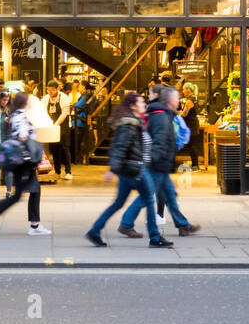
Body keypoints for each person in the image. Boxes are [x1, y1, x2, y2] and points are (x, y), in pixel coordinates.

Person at [119, 87, 198, 241]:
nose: (178, 102)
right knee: (147, 196)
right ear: (169, 100)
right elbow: (159, 141)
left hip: (161, 164)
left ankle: (183, 225)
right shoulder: (161, 115)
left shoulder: (163, 113)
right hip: (157, 164)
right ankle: (126, 224)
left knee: (170, 195)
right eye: (176, 99)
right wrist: (155, 161)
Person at [85, 92, 161, 246]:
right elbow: (119, 147)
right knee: (148, 200)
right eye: (141, 102)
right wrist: (112, 169)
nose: (144, 105)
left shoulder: (133, 122)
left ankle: (95, 231)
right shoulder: (129, 125)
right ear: (133, 106)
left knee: (118, 203)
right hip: (135, 169)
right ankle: (155, 237)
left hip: (128, 170)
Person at [0, 90, 49, 236]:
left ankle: (34, 225)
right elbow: (22, 137)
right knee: (23, 194)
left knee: (28, 192)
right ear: (25, 102)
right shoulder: (21, 116)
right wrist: (31, 140)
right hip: (24, 162)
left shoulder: (14, 115)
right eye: (28, 100)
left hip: (19, 161)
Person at [42, 79, 73, 181]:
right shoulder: (46, 98)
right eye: (48, 90)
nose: (50, 93)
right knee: (54, 149)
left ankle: (68, 172)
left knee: (65, 149)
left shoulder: (63, 97)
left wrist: (56, 124)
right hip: (52, 126)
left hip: (63, 126)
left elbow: (64, 113)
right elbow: (42, 111)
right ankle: (57, 171)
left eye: (52, 91)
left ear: (57, 89)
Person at [179, 82, 201, 170]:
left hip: (191, 125)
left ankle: (195, 166)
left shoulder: (189, 101)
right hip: (193, 124)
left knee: (192, 145)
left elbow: (184, 114)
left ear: (188, 90)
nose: (183, 91)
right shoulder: (194, 98)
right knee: (191, 145)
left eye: (184, 89)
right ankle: (195, 165)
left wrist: (178, 112)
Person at [70, 80, 92, 166]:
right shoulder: (86, 95)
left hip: (80, 120)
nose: (78, 87)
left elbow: (77, 105)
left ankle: (78, 159)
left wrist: (74, 104)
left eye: (80, 86)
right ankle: (77, 158)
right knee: (78, 141)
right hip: (79, 120)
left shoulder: (85, 95)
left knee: (78, 141)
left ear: (83, 87)